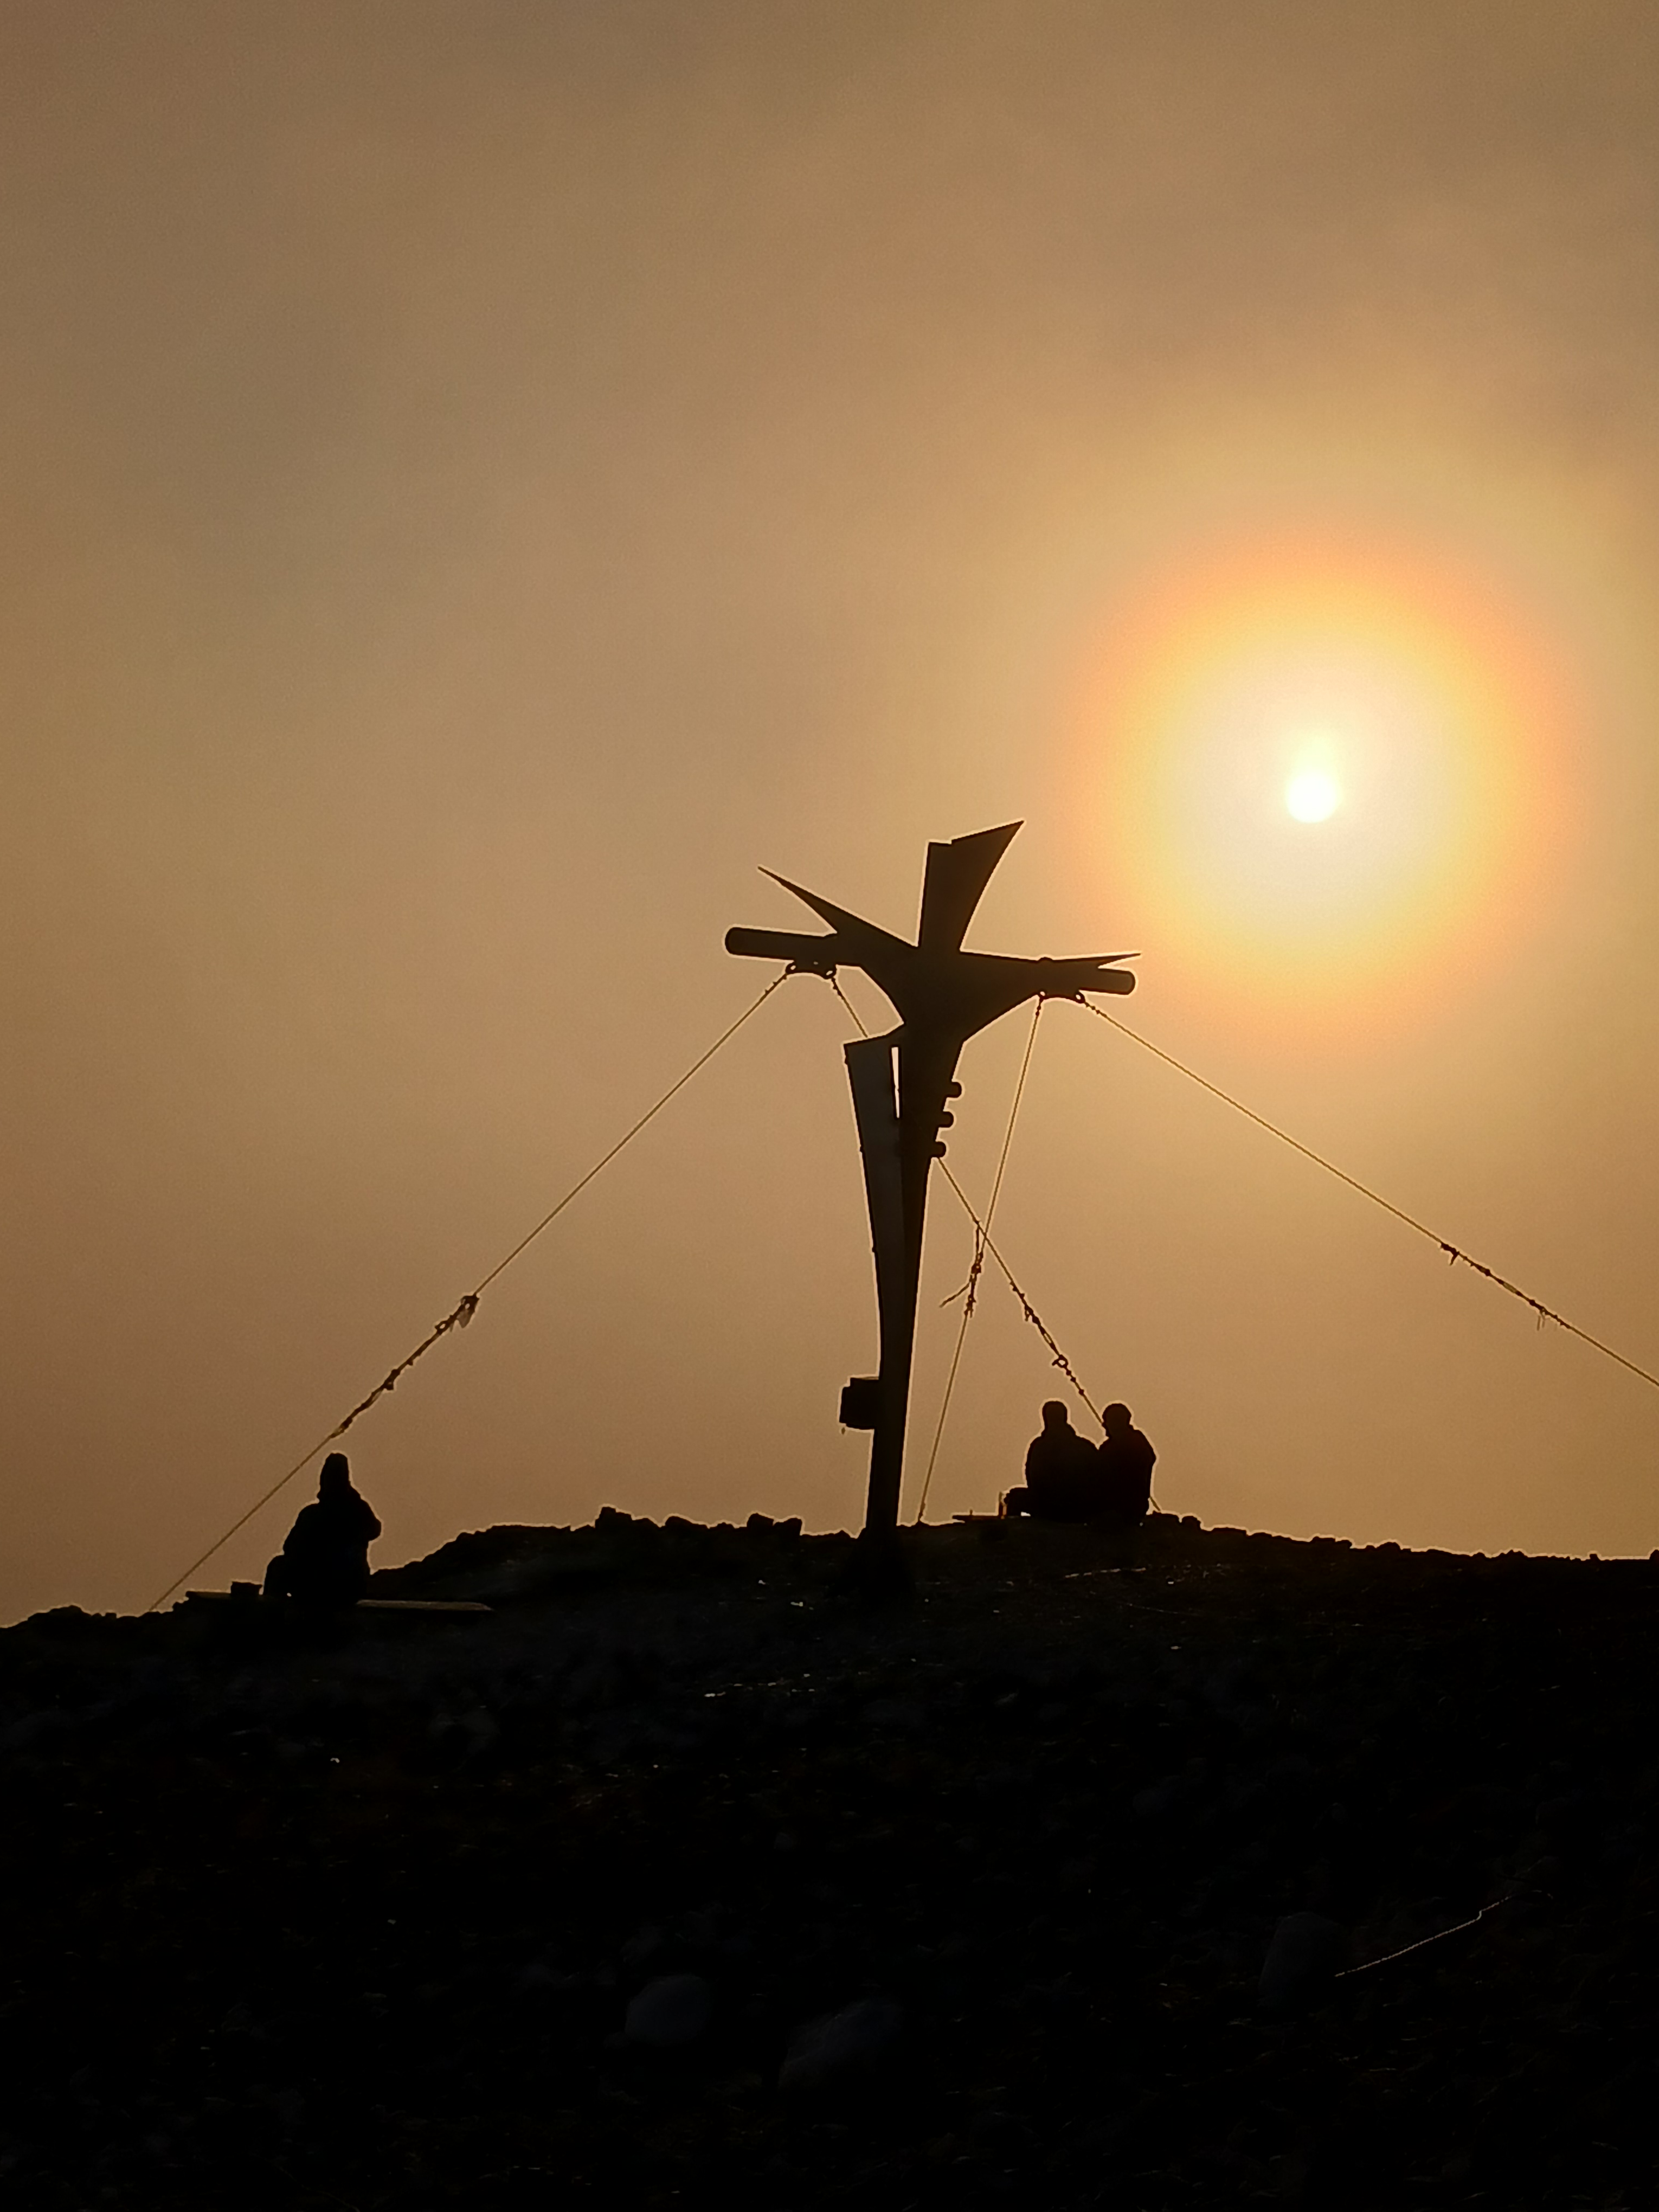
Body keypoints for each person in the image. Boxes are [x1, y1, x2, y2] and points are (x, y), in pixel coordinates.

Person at [264, 1452, 382, 1606]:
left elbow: (374, 1530)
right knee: (278, 1566)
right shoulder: (314, 1513)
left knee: (279, 1567)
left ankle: (271, 1617)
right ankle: (274, 1614)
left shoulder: (354, 1511)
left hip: (340, 1584)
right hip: (322, 1580)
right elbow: (291, 1547)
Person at [1002, 1400, 1104, 1521]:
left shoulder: (1040, 1446)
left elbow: (1033, 1478)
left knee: (1016, 1498)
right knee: (1016, 1496)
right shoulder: (1084, 1445)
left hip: (1062, 1506)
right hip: (1077, 1506)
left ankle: (1012, 1534)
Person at [1096, 1401, 1156, 1525]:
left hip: (1120, 1508)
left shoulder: (1113, 1448)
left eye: (1106, 1422)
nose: (1104, 1426)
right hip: (1137, 1506)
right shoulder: (1139, 1441)